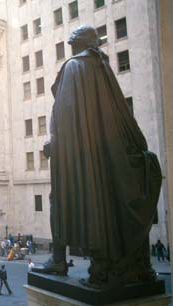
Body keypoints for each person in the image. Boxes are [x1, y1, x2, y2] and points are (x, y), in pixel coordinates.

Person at [33, 25, 162, 288]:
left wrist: (54, 146)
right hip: (110, 158)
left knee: (58, 200)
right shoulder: (102, 67)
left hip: (81, 159)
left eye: (71, 43)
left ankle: (59, 260)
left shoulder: (74, 68)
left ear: (76, 44)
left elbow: (66, 118)